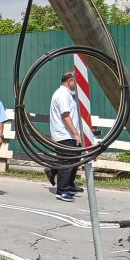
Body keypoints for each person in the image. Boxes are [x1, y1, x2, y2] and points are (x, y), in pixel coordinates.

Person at [49, 72, 82, 202]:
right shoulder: (62, 94)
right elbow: (65, 116)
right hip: (64, 134)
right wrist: (75, 133)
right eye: (75, 82)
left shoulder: (68, 94)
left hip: (69, 134)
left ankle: (67, 184)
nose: (76, 86)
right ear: (69, 81)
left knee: (74, 160)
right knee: (67, 163)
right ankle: (61, 190)